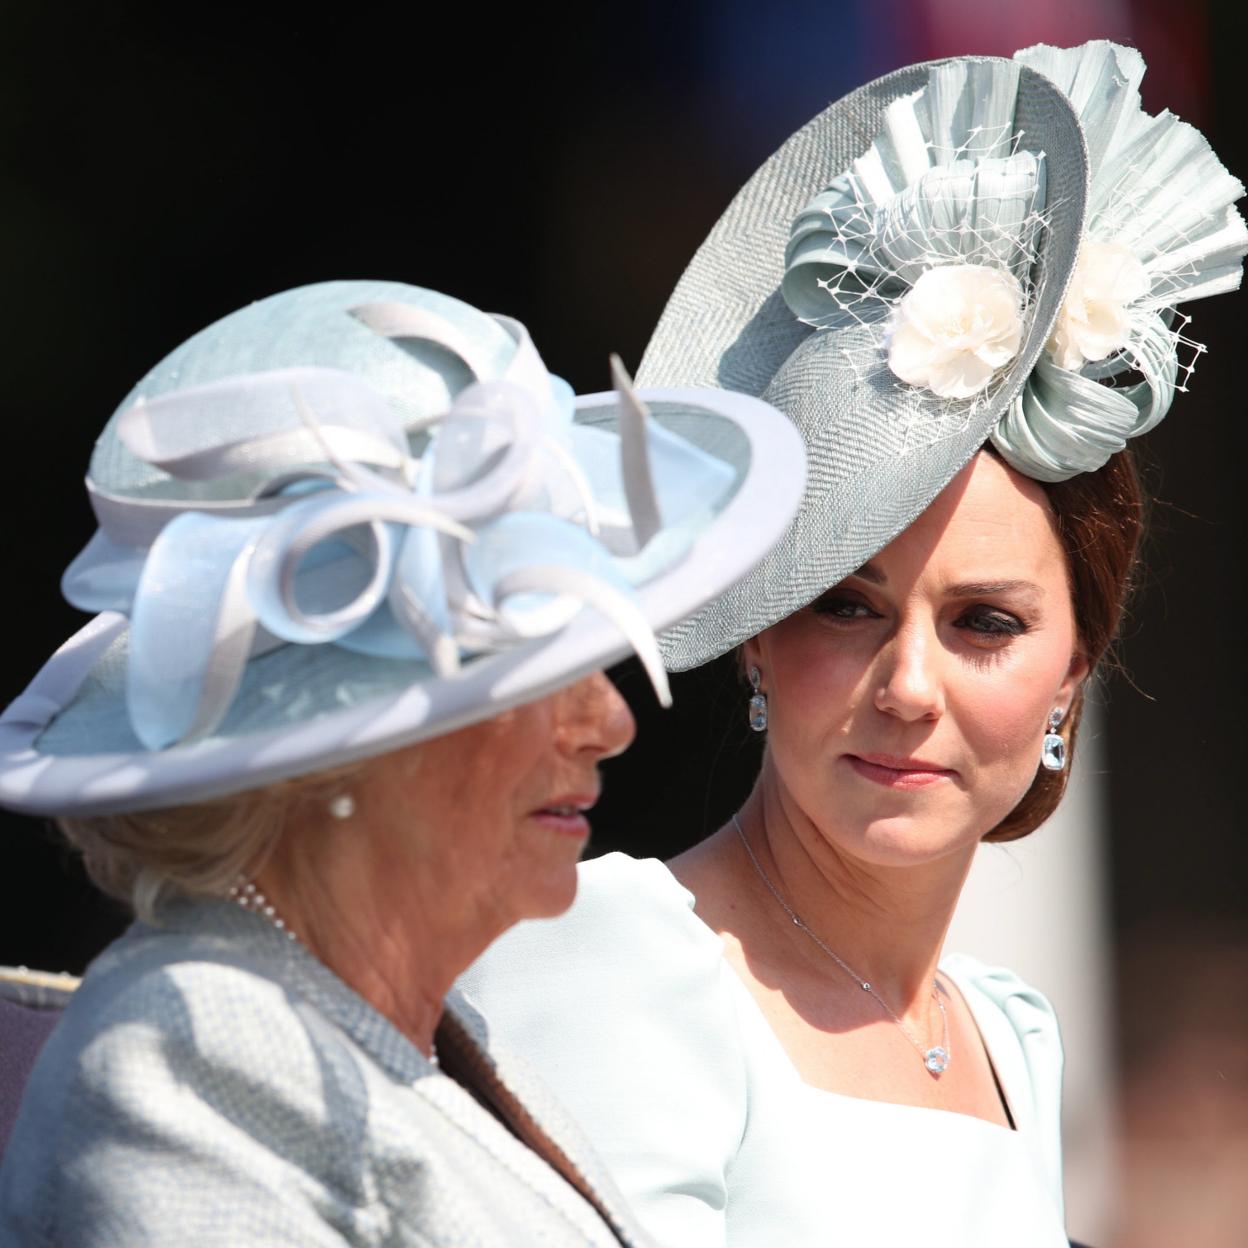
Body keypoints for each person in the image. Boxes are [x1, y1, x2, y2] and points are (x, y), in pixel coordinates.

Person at [460, 41, 1246, 1247]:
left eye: (985, 623)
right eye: (845, 605)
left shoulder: (1011, 1037)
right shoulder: (620, 955)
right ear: (759, 636)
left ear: (1070, 676)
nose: (909, 686)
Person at [0, 279, 804, 1245]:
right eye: (526, 672)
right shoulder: (185, 1059)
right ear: (336, 748)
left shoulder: (443, 1029)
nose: (608, 724)